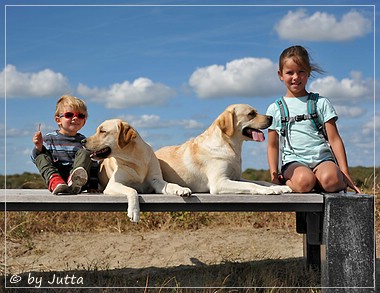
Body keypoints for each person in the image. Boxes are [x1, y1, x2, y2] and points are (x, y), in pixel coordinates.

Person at [266, 45, 360, 193]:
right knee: (304, 181)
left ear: (308, 72)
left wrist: (344, 172)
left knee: (332, 181)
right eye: (290, 72)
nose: (296, 77)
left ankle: (327, 182)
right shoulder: (275, 108)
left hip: (322, 160)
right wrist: (274, 174)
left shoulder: (320, 103)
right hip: (293, 163)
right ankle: (298, 183)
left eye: (301, 71)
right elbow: (272, 145)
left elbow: (334, 139)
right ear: (280, 74)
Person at [32, 95, 93, 194]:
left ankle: (75, 181)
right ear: (58, 120)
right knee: (41, 156)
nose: (75, 118)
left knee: (86, 153)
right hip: (57, 174)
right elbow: (38, 160)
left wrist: (94, 185)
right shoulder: (49, 139)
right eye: (69, 115)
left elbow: (93, 165)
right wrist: (38, 147)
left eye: (80, 116)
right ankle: (55, 181)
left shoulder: (84, 141)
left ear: (84, 121)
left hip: (79, 180)